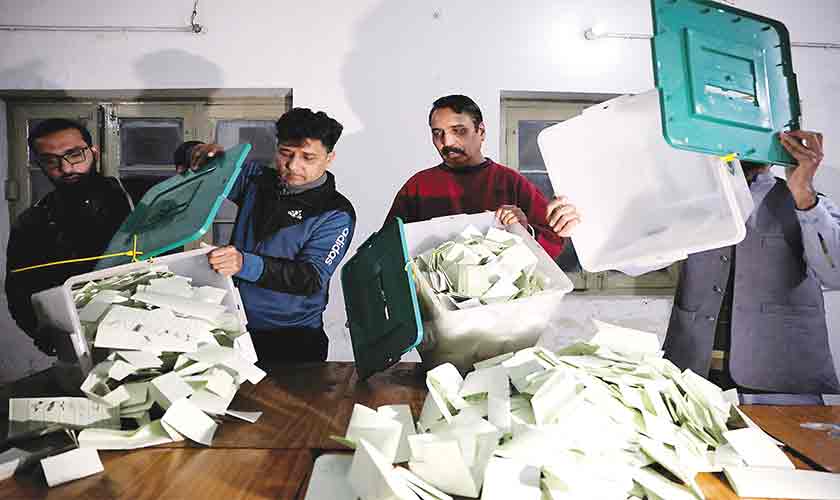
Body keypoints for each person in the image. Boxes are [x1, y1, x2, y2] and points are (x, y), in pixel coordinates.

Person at [547, 130, 840, 401]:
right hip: (694, 377)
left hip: (783, 384)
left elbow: (835, 273)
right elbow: (633, 261)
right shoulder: (689, 204)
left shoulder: (811, 204)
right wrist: (584, 224)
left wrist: (804, 194)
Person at [187, 108, 356, 363]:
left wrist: (243, 264)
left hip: (293, 338)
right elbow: (206, 168)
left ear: (329, 158)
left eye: (308, 158)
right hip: (233, 323)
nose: (293, 166)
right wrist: (197, 151)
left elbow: (310, 277)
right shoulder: (256, 180)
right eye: (285, 153)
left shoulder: (336, 213)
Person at [5, 118, 133, 353]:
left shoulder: (137, 196)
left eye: (74, 155)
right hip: (81, 344)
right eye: (50, 161)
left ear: (94, 152)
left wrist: (195, 152)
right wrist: (46, 336)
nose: (65, 168)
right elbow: (18, 291)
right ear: (40, 164)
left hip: (153, 328)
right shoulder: (32, 222)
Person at [385, 94, 566, 258]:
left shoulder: (511, 182)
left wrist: (524, 230)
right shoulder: (417, 187)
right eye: (437, 133)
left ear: (481, 131)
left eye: (458, 130)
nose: (447, 142)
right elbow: (386, 250)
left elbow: (553, 243)